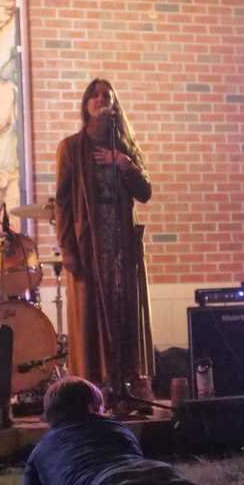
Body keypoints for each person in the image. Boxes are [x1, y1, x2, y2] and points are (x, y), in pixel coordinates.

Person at [54, 78, 154, 408]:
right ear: (86, 105)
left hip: (121, 244)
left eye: (106, 96)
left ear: (114, 105)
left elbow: (145, 193)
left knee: (123, 311)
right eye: (94, 96)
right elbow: (63, 202)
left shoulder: (124, 146)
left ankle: (126, 384)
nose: (100, 100)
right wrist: (67, 247)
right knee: (91, 318)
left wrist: (124, 164)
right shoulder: (71, 148)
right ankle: (93, 390)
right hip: (89, 245)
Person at [22, 376, 216, 485]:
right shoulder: (117, 429)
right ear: (96, 408)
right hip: (160, 473)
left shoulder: (41, 452)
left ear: (49, 417)